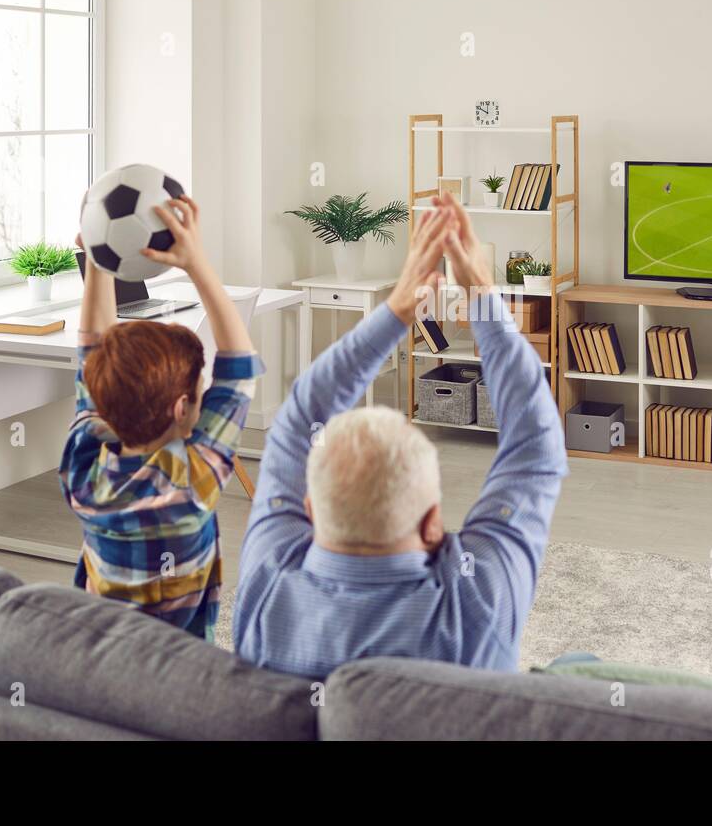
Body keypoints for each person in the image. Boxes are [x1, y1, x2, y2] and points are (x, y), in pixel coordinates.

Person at [234, 192, 567, 678]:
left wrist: (396, 309)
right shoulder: (476, 603)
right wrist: (481, 293)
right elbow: (536, 447)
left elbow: (298, 416)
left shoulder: (268, 587)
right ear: (433, 523)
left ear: (308, 510)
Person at [59, 196, 262, 640]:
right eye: (199, 388)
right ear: (181, 408)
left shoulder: (84, 470)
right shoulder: (191, 483)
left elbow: (93, 353)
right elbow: (241, 367)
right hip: (175, 675)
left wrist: (97, 259)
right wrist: (196, 262)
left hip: (95, 659)